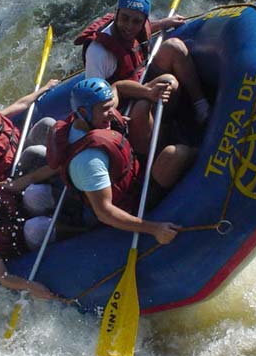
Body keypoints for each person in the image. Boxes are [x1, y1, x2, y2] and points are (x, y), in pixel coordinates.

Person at [47, 78, 196, 244]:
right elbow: (104, 212)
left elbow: (118, 87)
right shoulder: (88, 160)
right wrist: (154, 229)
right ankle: (201, 150)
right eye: (105, 109)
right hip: (132, 198)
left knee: (142, 106)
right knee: (176, 154)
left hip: (130, 165)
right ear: (83, 112)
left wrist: (148, 92)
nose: (112, 112)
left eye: (111, 105)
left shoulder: (89, 114)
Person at [75, 0, 210, 126]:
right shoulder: (98, 52)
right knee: (167, 84)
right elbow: (94, 99)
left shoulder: (139, 25)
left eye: (136, 21)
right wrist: (115, 117)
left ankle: (200, 105)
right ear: (116, 14)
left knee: (175, 47)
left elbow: (145, 28)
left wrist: (164, 23)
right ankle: (168, 130)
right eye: (125, 18)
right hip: (121, 100)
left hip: (141, 77)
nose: (129, 26)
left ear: (144, 20)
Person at [0, 173, 73, 299]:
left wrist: (57, 168)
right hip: (24, 244)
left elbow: (31, 178)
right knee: (35, 227)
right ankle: (79, 231)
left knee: (34, 192)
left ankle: (78, 206)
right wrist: (30, 286)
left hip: (25, 219)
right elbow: (3, 277)